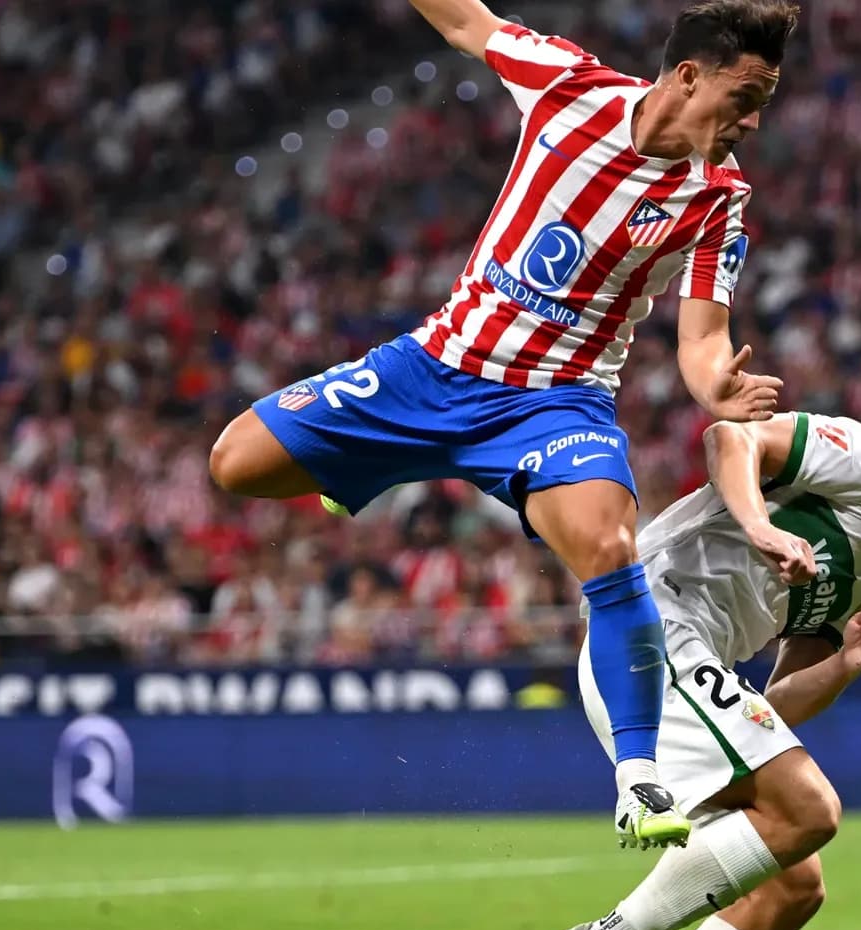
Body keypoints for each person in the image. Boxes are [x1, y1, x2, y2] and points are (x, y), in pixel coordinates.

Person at [205, 0, 801, 849]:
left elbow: (702, 340)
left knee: (608, 545)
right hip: (435, 365)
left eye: (763, 107)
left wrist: (719, 390)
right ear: (689, 76)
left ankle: (640, 780)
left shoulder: (717, 199)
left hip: (554, 402)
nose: (750, 122)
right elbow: (465, 21)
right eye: (743, 98)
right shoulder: (569, 86)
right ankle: (376, 469)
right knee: (236, 464)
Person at [548, 371, 861, 930]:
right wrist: (760, 528)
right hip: (653, 628)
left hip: (689, 659)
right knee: (810, 809)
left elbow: (775, 707)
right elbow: (732, 439)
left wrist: (844, 665)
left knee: (793, 882)